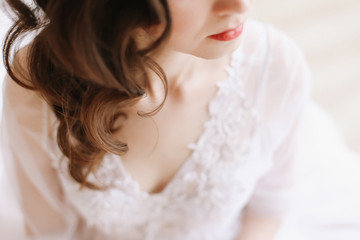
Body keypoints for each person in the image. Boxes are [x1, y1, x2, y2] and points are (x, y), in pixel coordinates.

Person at [1, 0, 333, 239]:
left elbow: (269, 205)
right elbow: (50, 231)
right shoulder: (39, 81)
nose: (240, 6)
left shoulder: (273, 69)